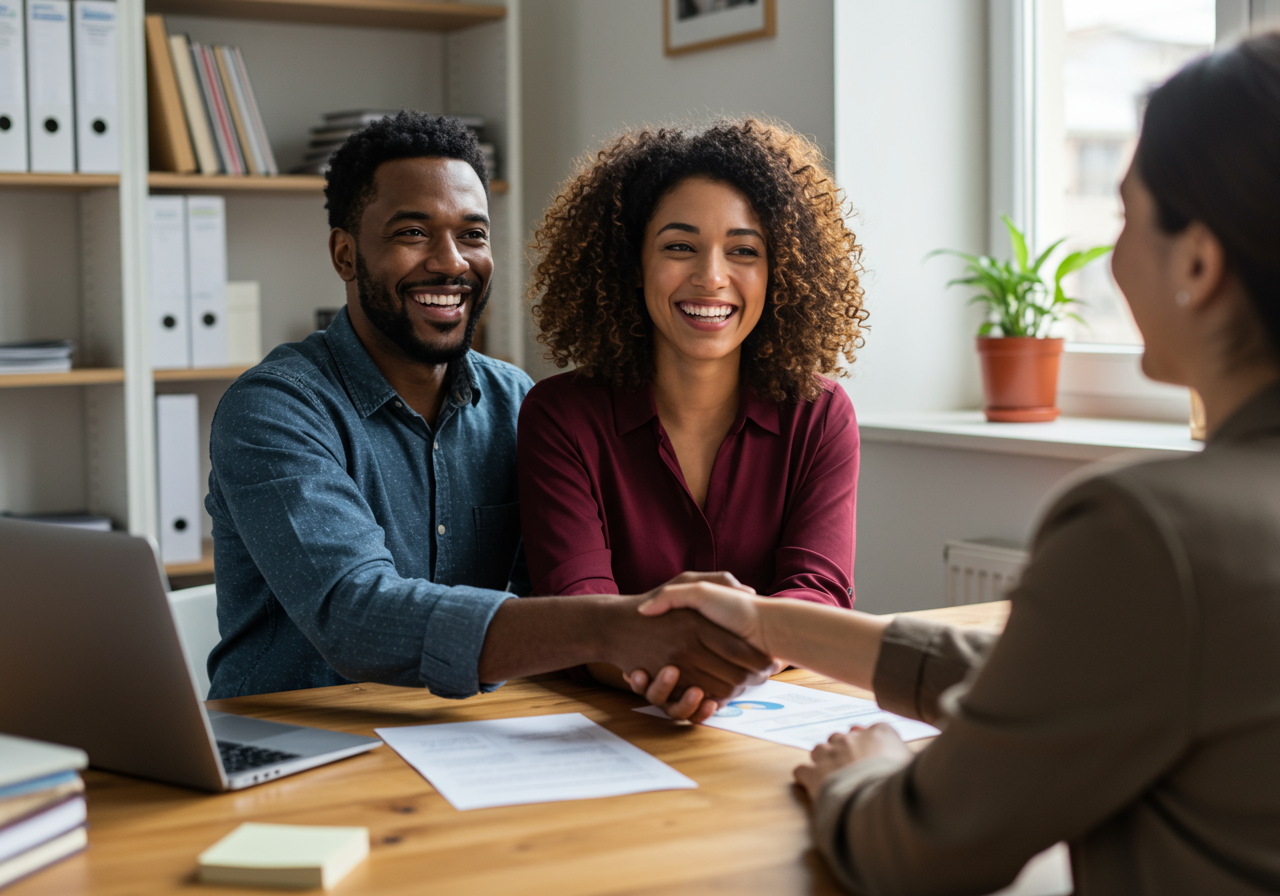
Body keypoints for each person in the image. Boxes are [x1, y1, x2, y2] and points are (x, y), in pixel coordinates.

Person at [633, 34, 1280, 895]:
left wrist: (861, 770)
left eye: (1125, 217)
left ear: (1198, 260)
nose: (1114, 258)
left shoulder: (1150, 530)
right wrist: (766, 623)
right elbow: (1059, 686)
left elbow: (918, 850)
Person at [204, 111, 773, 708]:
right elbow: (354, 613)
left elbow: (551, 592)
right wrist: (612, 625)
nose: (451, 262)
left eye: (472, 235)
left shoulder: (516, 402)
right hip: (287, 744)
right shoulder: (274, 409)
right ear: (345, 255)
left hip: (466, 738)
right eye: (412, 233)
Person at [518, 119, 867, 701]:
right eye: (679, 247)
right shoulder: (560, 417)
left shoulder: (820, 414)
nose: (711, 277)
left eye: (743, 251)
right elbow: (577, 611)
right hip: (610, 723)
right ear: (632, 264)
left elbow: (819, 591)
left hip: (771, 717)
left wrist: (711, 666)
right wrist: (679, 672)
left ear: (779, 271)